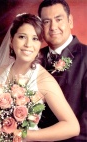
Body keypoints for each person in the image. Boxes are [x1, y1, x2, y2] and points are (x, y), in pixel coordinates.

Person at [0, 13, 80, 142]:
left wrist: (24, 134)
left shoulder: (44, 80)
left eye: (35, 39)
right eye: (22, 37)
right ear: (12, 40)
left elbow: (72, 127)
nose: (28, 44)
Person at [38, 0, 87, 142]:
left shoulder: (86, 56)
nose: (53, 27)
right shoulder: (33, 57)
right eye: (46, 22)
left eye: (59, 19)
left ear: (70, 21)